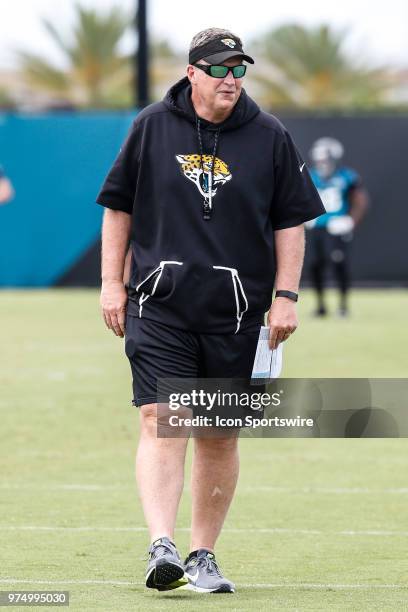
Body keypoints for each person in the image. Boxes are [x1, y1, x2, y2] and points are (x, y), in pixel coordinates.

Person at [96, 28, 325, 594]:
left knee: (219, 434)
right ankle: (161, 546)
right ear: (192, 72)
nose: (230, 79)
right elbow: (118, 208)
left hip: (239, 314)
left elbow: (290, 221)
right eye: (220, 68)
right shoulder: (151, 125)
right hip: (160, 306)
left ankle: (203, 555)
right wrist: (111, 283)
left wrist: (287, 296)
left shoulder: (269, 134)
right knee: (162, 418)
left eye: (239, 70)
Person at [306, 138, 369, 316]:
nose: (322, 163)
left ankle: (343, 305)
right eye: (319, 160)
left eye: (326, 159)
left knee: (339, 264)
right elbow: (298, 197)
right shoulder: (310, 175)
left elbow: (360, 201)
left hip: (337, 228)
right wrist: (303, 216)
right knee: (315, 265)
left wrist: (350, 221)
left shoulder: (347, 176)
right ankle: (320, 306)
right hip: (316, 227)